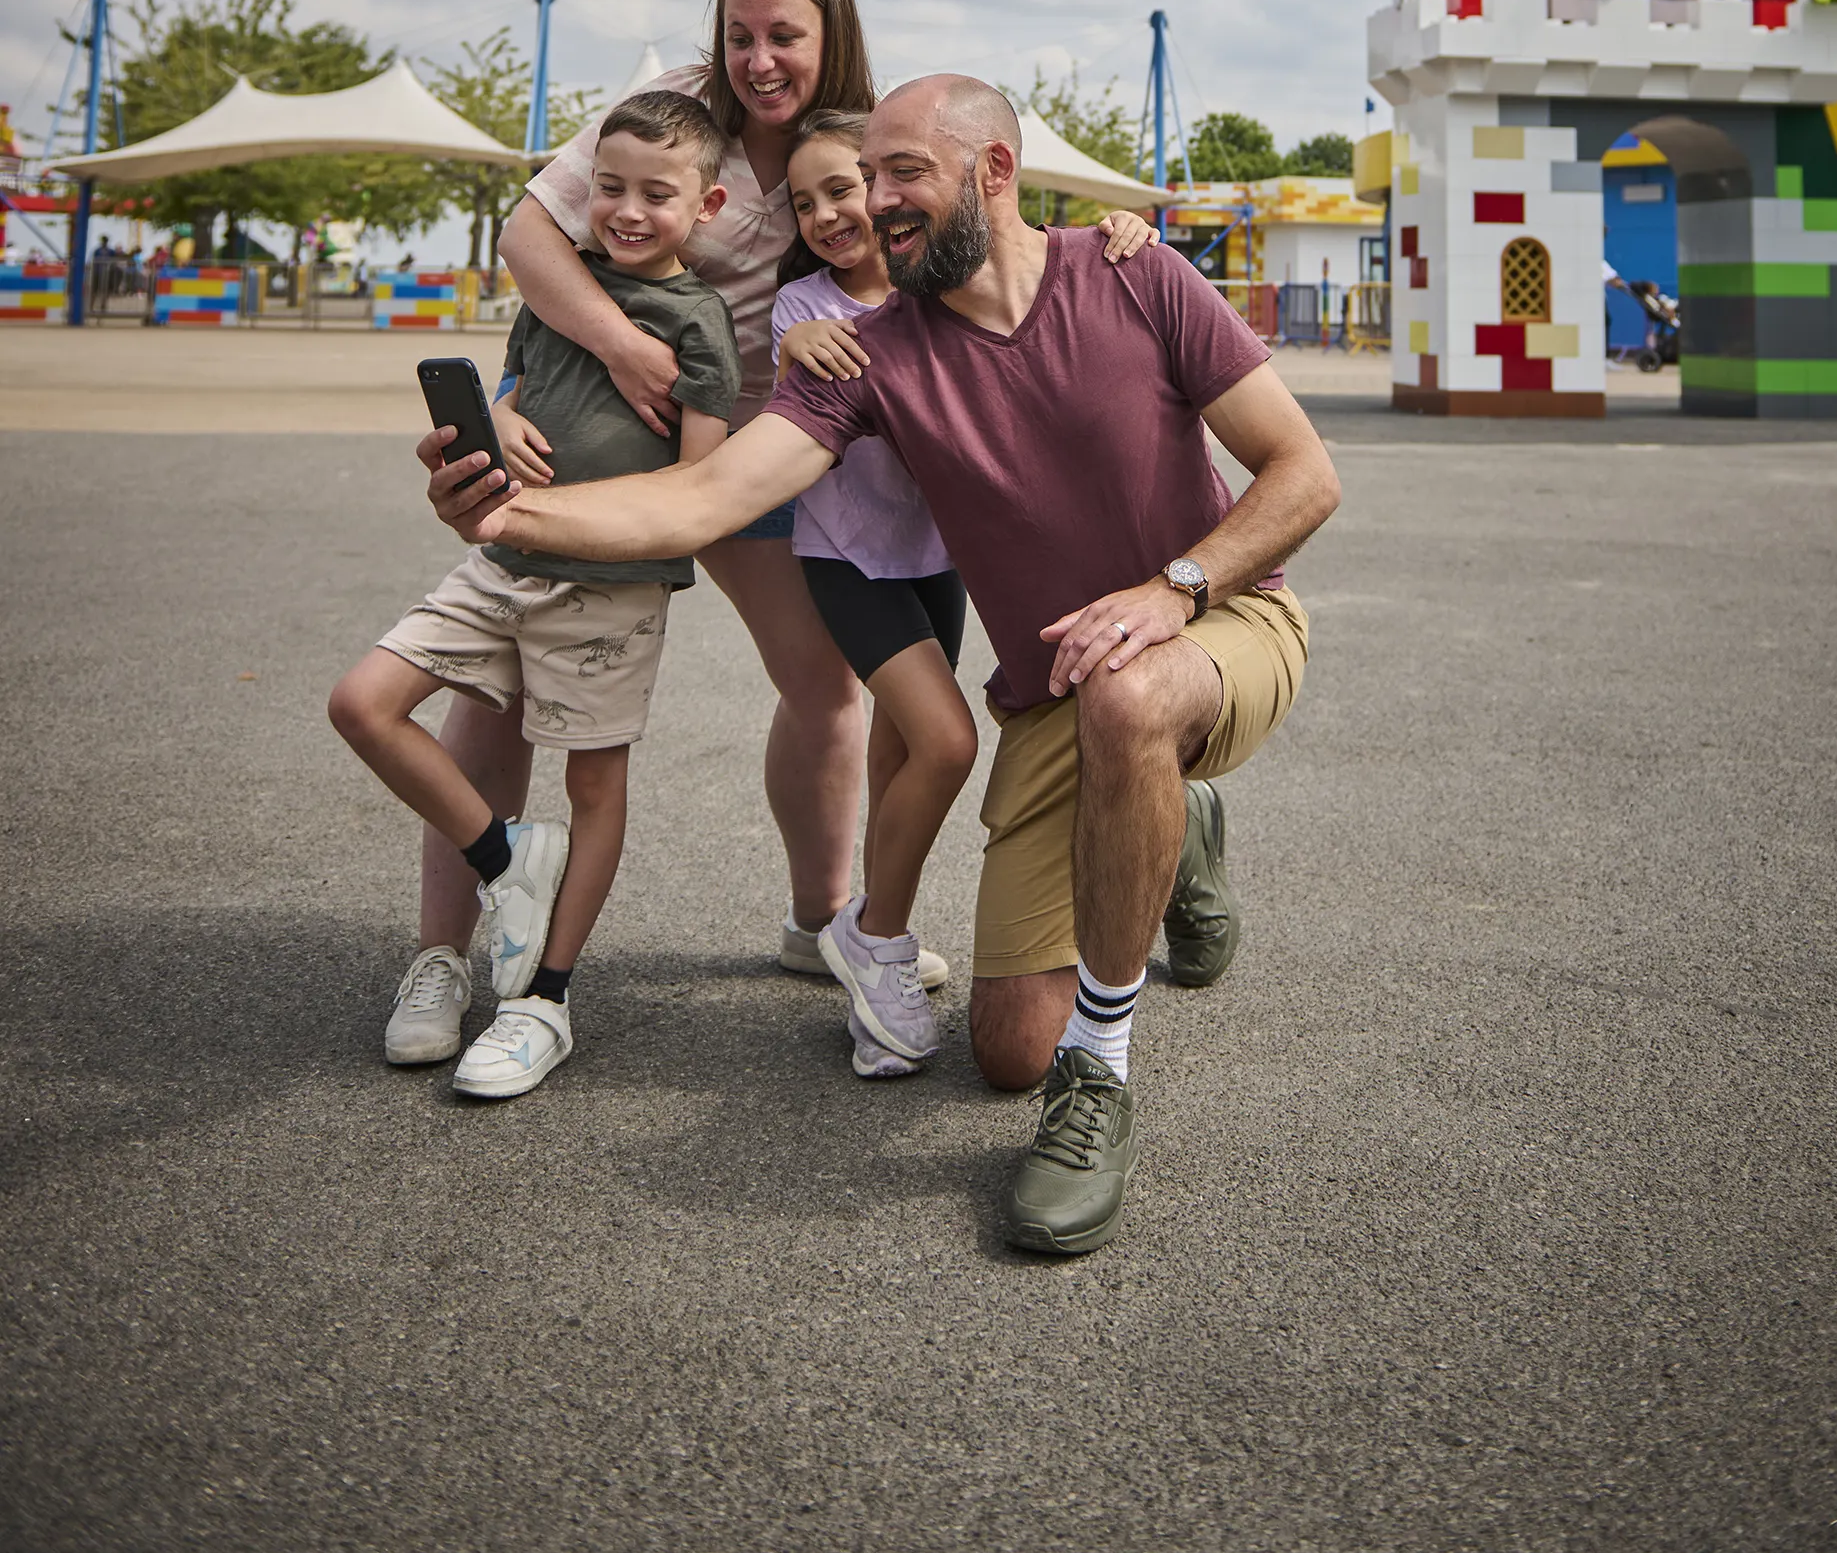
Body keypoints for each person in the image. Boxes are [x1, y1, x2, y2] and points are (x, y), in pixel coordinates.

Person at [424, 74, 1340, 1253]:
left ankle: (1101, 1080)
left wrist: (1173, 590)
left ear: (994, 175)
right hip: (1058, 695)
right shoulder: (865, 356)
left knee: (1130, 698)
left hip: (1220, 624)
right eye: (870, 176)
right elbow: (701, 497)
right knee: (1007, 1049)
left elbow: (1302, 473)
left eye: (904, 174)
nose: (876, 201)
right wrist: (509, 521)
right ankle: (1172, 824)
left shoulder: (1135, 273)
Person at [379, 0, 904, 1068]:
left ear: (833, 40)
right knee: (497, 688)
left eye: (785, 37)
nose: (758, 59)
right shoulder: (669, 110)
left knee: (823, 685)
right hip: (600, 435)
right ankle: (443, 953)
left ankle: (822, 921)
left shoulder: (859, 139)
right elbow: (530, 233)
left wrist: (1097, 241)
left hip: (759, 443)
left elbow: (956, 233)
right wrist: (623, 349)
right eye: (739, 33)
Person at [331, 87, 740, 1098]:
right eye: (609, 188)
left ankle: (544, 1001)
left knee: (594, 786)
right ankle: (502, 855)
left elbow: (701, 486)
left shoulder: (699, 326)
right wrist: (499, 424)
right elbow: (511, 391)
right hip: (498, 567)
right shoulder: (559, 293)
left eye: (657, 193)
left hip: (609, 594)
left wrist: (611, 513)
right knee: (362, 704)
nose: (628, 211)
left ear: (710, 209)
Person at [772, 107, 1152, 1079]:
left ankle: (870, 959)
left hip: (933, 560)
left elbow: (1023, 285)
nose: (827, 212)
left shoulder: (941, 287)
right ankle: (875, 936)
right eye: (805, 200)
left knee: (906, 754)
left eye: (844, 187)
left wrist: (1119, 233)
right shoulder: (806, 312)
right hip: (847, 559)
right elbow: (810, 376)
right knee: (945, 741)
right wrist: (796, 348)